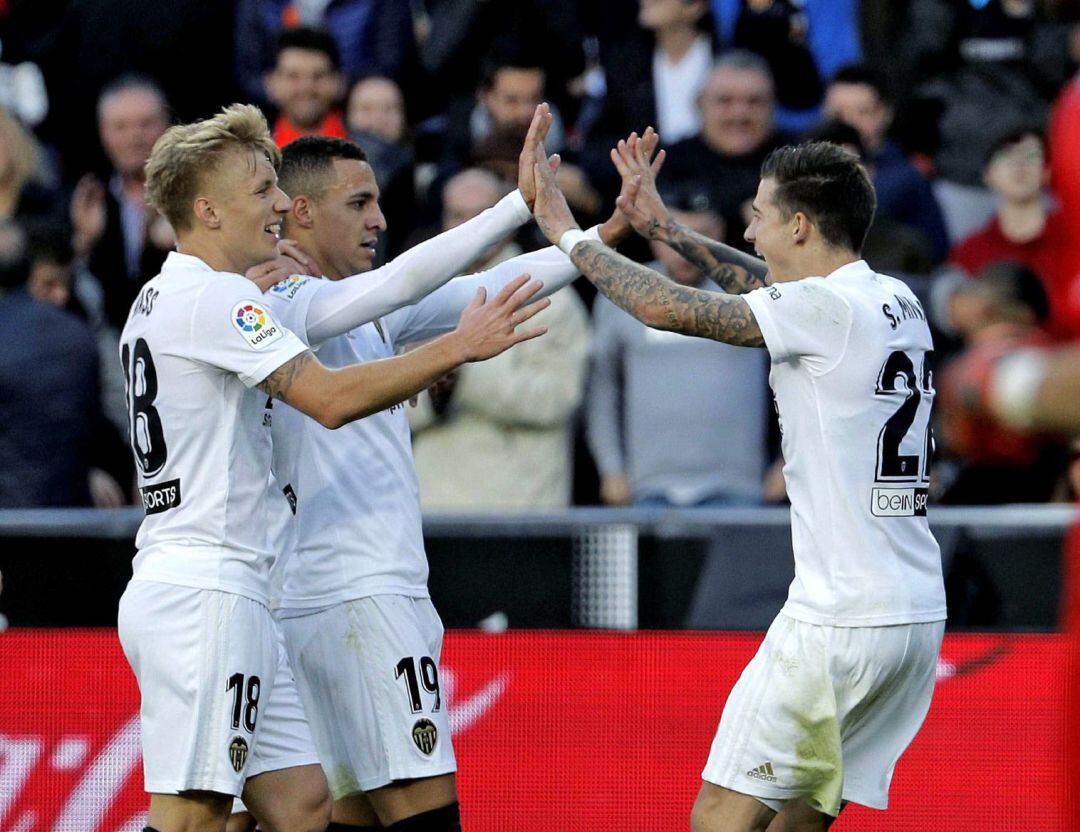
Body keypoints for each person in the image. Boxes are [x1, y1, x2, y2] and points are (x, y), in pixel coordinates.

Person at [116, 102, 549, 832]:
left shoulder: (158, 297)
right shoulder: (220, 298)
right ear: (208, 209)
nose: (281, 205)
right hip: (211, 590)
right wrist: (457, 347)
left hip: (219, 584)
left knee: (305, 801)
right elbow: (328, 399)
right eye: (261, 191)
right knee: (191, 815)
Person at [531, 118, 946, 830]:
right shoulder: (892, 298)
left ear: (802, 227)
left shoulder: (820, 308)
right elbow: (764, 288)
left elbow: (664, 306)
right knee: (799, 817)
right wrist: (666, 229)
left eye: (760, 217)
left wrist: (567, 234)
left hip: (837, 616)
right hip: (911, 611)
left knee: (720, 813)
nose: (752, 234)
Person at [231, 116, 630, 830]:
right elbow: (410, 280)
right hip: (361, 595)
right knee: (422, 814)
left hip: (316, 596)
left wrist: (602, 237)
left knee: (350, 814)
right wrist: (518, 203)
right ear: (300, 212)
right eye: (358, 203)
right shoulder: (279, 302)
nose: (379, 219)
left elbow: (497, 284)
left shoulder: (357, 304)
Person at [409, 168, 591, 510]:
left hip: (522, 503)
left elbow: (558, 398)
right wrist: (432, 389)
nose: (467, 227)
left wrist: (458, 368)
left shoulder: (549, 294)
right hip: (431, 503)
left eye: (480, 215)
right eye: (457, 215)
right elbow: (382, 405)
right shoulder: (417, 293)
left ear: (506, 220)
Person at [586, 198, 769, 507]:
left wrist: (787, 462)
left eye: (696, 236)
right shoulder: (624, 290)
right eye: (673, 238)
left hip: (740, 486)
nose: (684, 251)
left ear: (718, 232)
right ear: (652, 236)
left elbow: (797, 375)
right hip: (647, 487)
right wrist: (610, 468)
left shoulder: (751, 291)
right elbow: (602, 389)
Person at [948, 128, 1076, 341]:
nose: (1020, 165)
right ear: (988, 174)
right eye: (1006, 155)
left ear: (1047, 171)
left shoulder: (1074, 239)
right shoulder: (969, 251)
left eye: (1031, 155)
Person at [70, 75, 173, 330]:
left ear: (168, 127)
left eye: (146, 124)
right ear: (103, 132)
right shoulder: (90, 197)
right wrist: (84, 241)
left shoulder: (196, 195)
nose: (134, 137)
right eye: (120, 127)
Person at [659, 50, 788, 250]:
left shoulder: (798, 162)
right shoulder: (666, 161)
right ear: (700, 104)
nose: (739, 113)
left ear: (773, 106)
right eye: (725, 101)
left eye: (754, 101)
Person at [822, 65, 948, 263]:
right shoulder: (796, 163)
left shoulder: (908, 177)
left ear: (887, 113)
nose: (849, 124)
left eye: (863, 112)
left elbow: (937, 249)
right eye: (838, 115)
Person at [264, 27, 348, 148]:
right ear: (271, 83)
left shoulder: (374, 154)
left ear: (338, 82)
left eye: (318, 76)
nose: (306, 88)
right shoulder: (249, 158)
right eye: (293, 76)